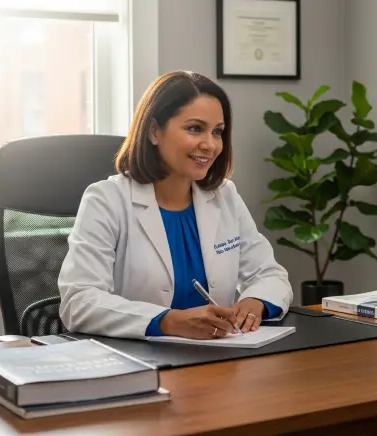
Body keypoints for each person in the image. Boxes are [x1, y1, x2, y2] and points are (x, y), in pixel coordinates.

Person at [58, 71, 293, 340]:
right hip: (138, 363)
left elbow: (269, 273)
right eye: (195, 128)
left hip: (218, 361)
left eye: (217, 132)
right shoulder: (106, 200)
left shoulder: (224, 196)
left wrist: (257, 302)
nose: (210, 145)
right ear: (154, 131)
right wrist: (168, 321)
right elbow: (79, 301)